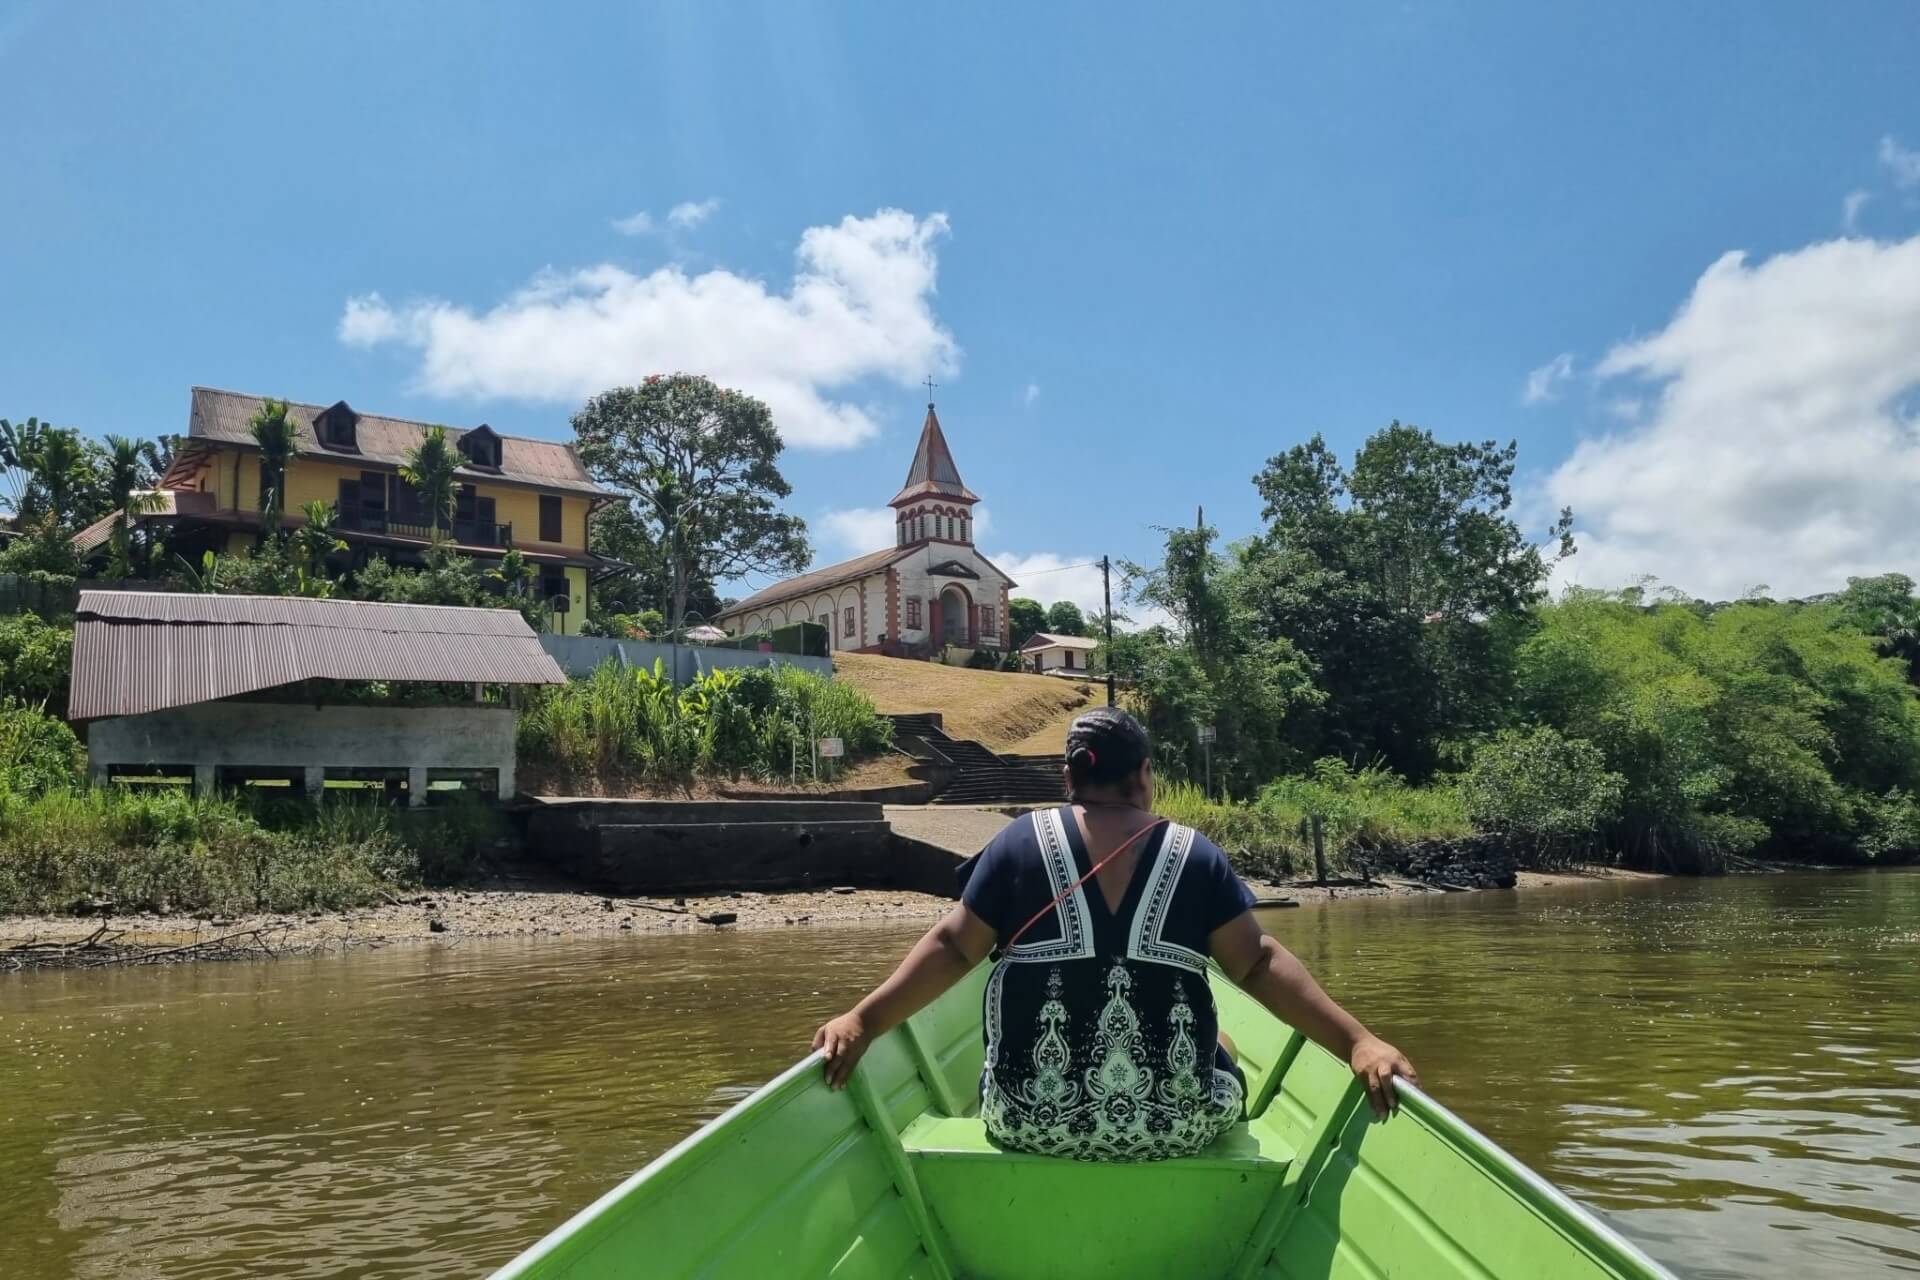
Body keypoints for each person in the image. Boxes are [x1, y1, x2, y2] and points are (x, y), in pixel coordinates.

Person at [813, 707, 1417, 1161]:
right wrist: (1359, 1043)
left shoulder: (1018, 844)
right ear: (1145, 774)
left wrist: (861, 1022)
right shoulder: (1195, 855)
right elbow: (1256, 965)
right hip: (1175, 1129)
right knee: (1225, 1044)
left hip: (1028, 1123)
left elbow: (951, 949)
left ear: (1066, 775)